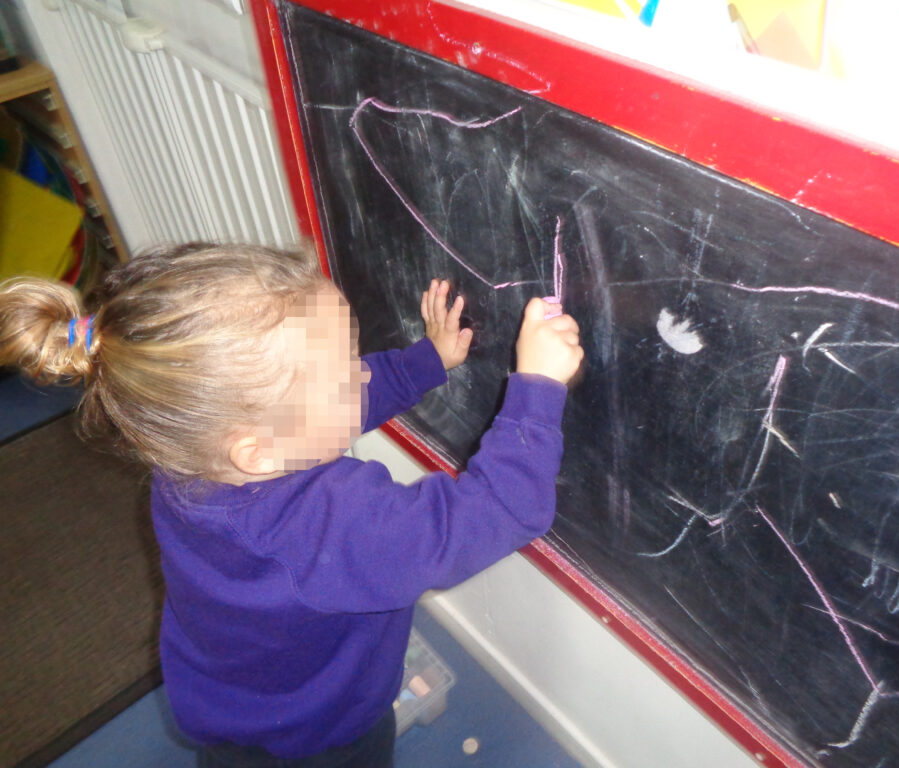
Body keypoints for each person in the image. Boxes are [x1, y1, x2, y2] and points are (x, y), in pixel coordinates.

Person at [0, 242, 583, 767]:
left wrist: (424, 362)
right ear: (256, 452)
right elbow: (497, 511)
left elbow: (310, 420)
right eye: (344, 376)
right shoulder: (326, 523)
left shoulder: (189, 455)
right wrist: (538, 388)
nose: (361, 377)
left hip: (225, 695)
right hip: (318, 731)